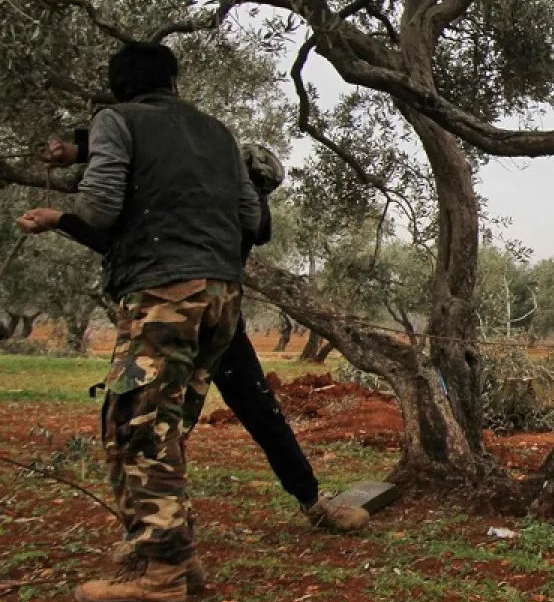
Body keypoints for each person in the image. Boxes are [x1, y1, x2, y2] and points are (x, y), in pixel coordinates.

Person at [16, 42, 256, 602]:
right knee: (165, 426)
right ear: (174, 82)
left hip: (163, 293)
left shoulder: (115, 120)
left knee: (136, 429)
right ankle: (177, 554)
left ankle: (162, 576)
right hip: (223, 295)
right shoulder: (220, 133)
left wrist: (58, 218)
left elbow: (98, 208)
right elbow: (252, 220)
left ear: (117, 86)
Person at [37, 134, 369, 541]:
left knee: (154, 420)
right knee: (234, 415)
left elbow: (117, 236)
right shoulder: (243, 212)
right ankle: (301, 503)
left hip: (177, 318)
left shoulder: (208, 209)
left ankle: (161, 532)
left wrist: (62, 217)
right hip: (218, 322)